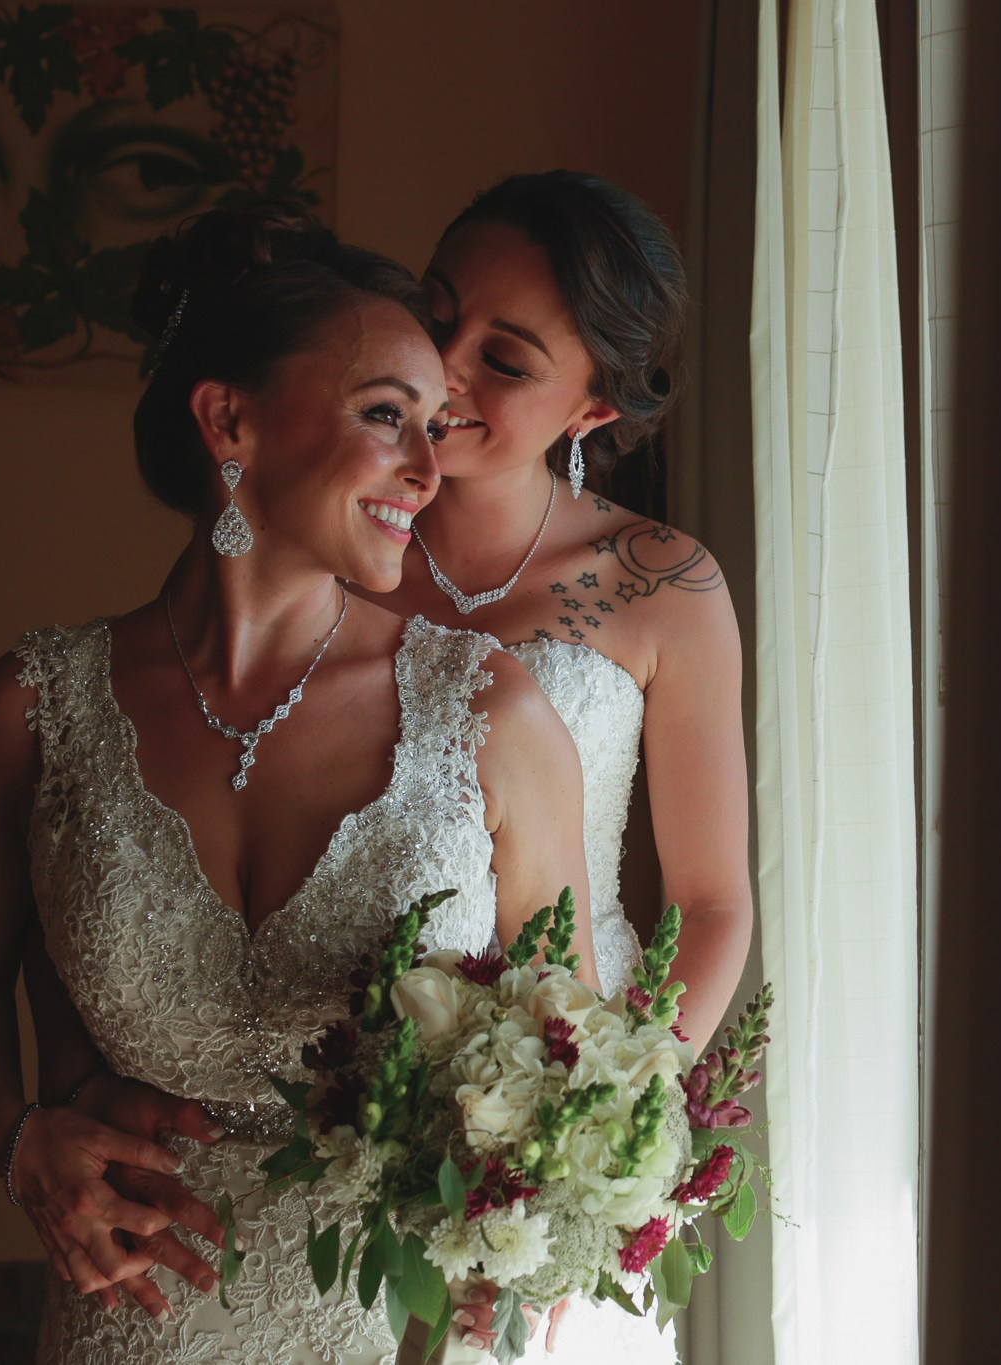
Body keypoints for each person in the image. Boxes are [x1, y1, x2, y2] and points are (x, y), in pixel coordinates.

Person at [0, 203, 592, 1364]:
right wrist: (19, 1137)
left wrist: (535, 1230)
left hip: (401, 1323)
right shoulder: (31, 710)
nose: (428, 469)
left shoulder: (488, 712)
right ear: (228, 419)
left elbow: (566, 1032)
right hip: (136, 1317)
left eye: (436, 426)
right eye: (387, 417)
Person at [364, 174, 755, 1361]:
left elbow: (710, 904)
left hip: (564, 1077)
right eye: (435, 315)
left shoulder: (661, 585)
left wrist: (589, 1145)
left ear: (591, 411)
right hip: (348, 1086)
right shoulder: (329, 544)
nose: (445, 368)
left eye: (508, 358)